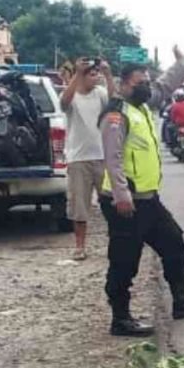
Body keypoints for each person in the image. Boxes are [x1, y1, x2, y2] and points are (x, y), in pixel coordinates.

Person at [98, 53, 184, 337]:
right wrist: (121, 194)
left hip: (148, 199)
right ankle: (121, 319)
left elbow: (165, 85)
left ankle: (182, 301)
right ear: (124, 84)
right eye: (140, 82)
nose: (146, 87)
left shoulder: (142, 107)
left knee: (174, 245)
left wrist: (181, 64)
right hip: (124, 202)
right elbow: (112, 158)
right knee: (124, 261)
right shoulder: (116, 113)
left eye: (147, 81)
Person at [60, 56, 116, 260]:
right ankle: (80, 246)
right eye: (92, 74)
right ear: (82, 76)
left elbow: (115, 102)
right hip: (78, 158)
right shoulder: (72, 95)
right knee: (79, 207)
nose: (96, 77)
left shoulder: (100, 94)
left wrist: (108, 74)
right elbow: (63, 103)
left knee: (111, 203)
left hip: (102, 156)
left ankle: (116, 242)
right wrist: (76, 72)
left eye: (97, 73)